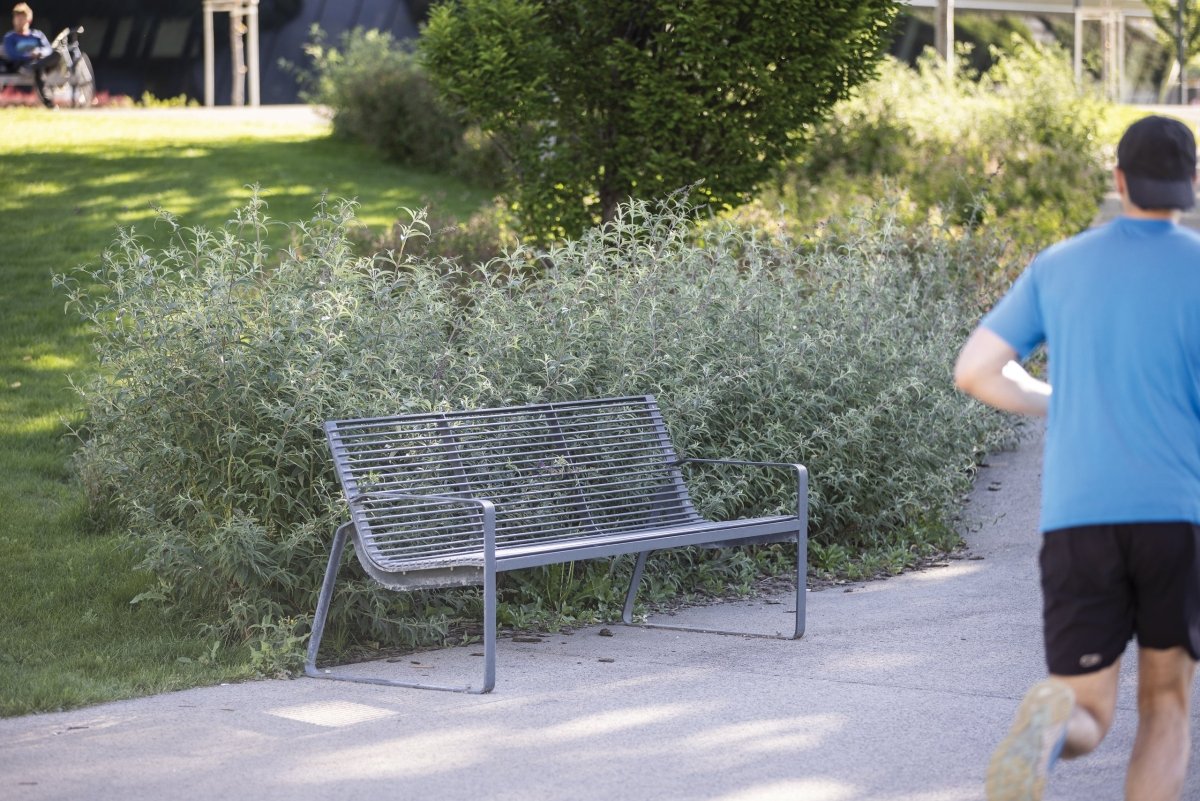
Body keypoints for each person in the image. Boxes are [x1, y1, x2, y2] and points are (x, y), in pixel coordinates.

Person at [954, 114, 1200, 801]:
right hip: (1177, 516)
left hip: (1078, 519)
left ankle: (1050, 729)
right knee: (1166, 707)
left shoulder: (1058, 265)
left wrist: (1057, 401)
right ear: (1193, 182)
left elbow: (974, 371)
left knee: (1087, 706)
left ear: (1119, 180)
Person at [4, 3, 58, 108]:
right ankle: (48, 102)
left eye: (22, 18)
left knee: (57, 53)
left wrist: (39, 52)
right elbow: (12, 54)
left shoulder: (37, 35)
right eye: (17, 18)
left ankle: (33, 67)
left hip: (39, 64)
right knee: (39, 69)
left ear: (29, 20)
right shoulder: (10, 37)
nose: (19, 21)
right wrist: (29, 55)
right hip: (21, 66)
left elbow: (48, 50)